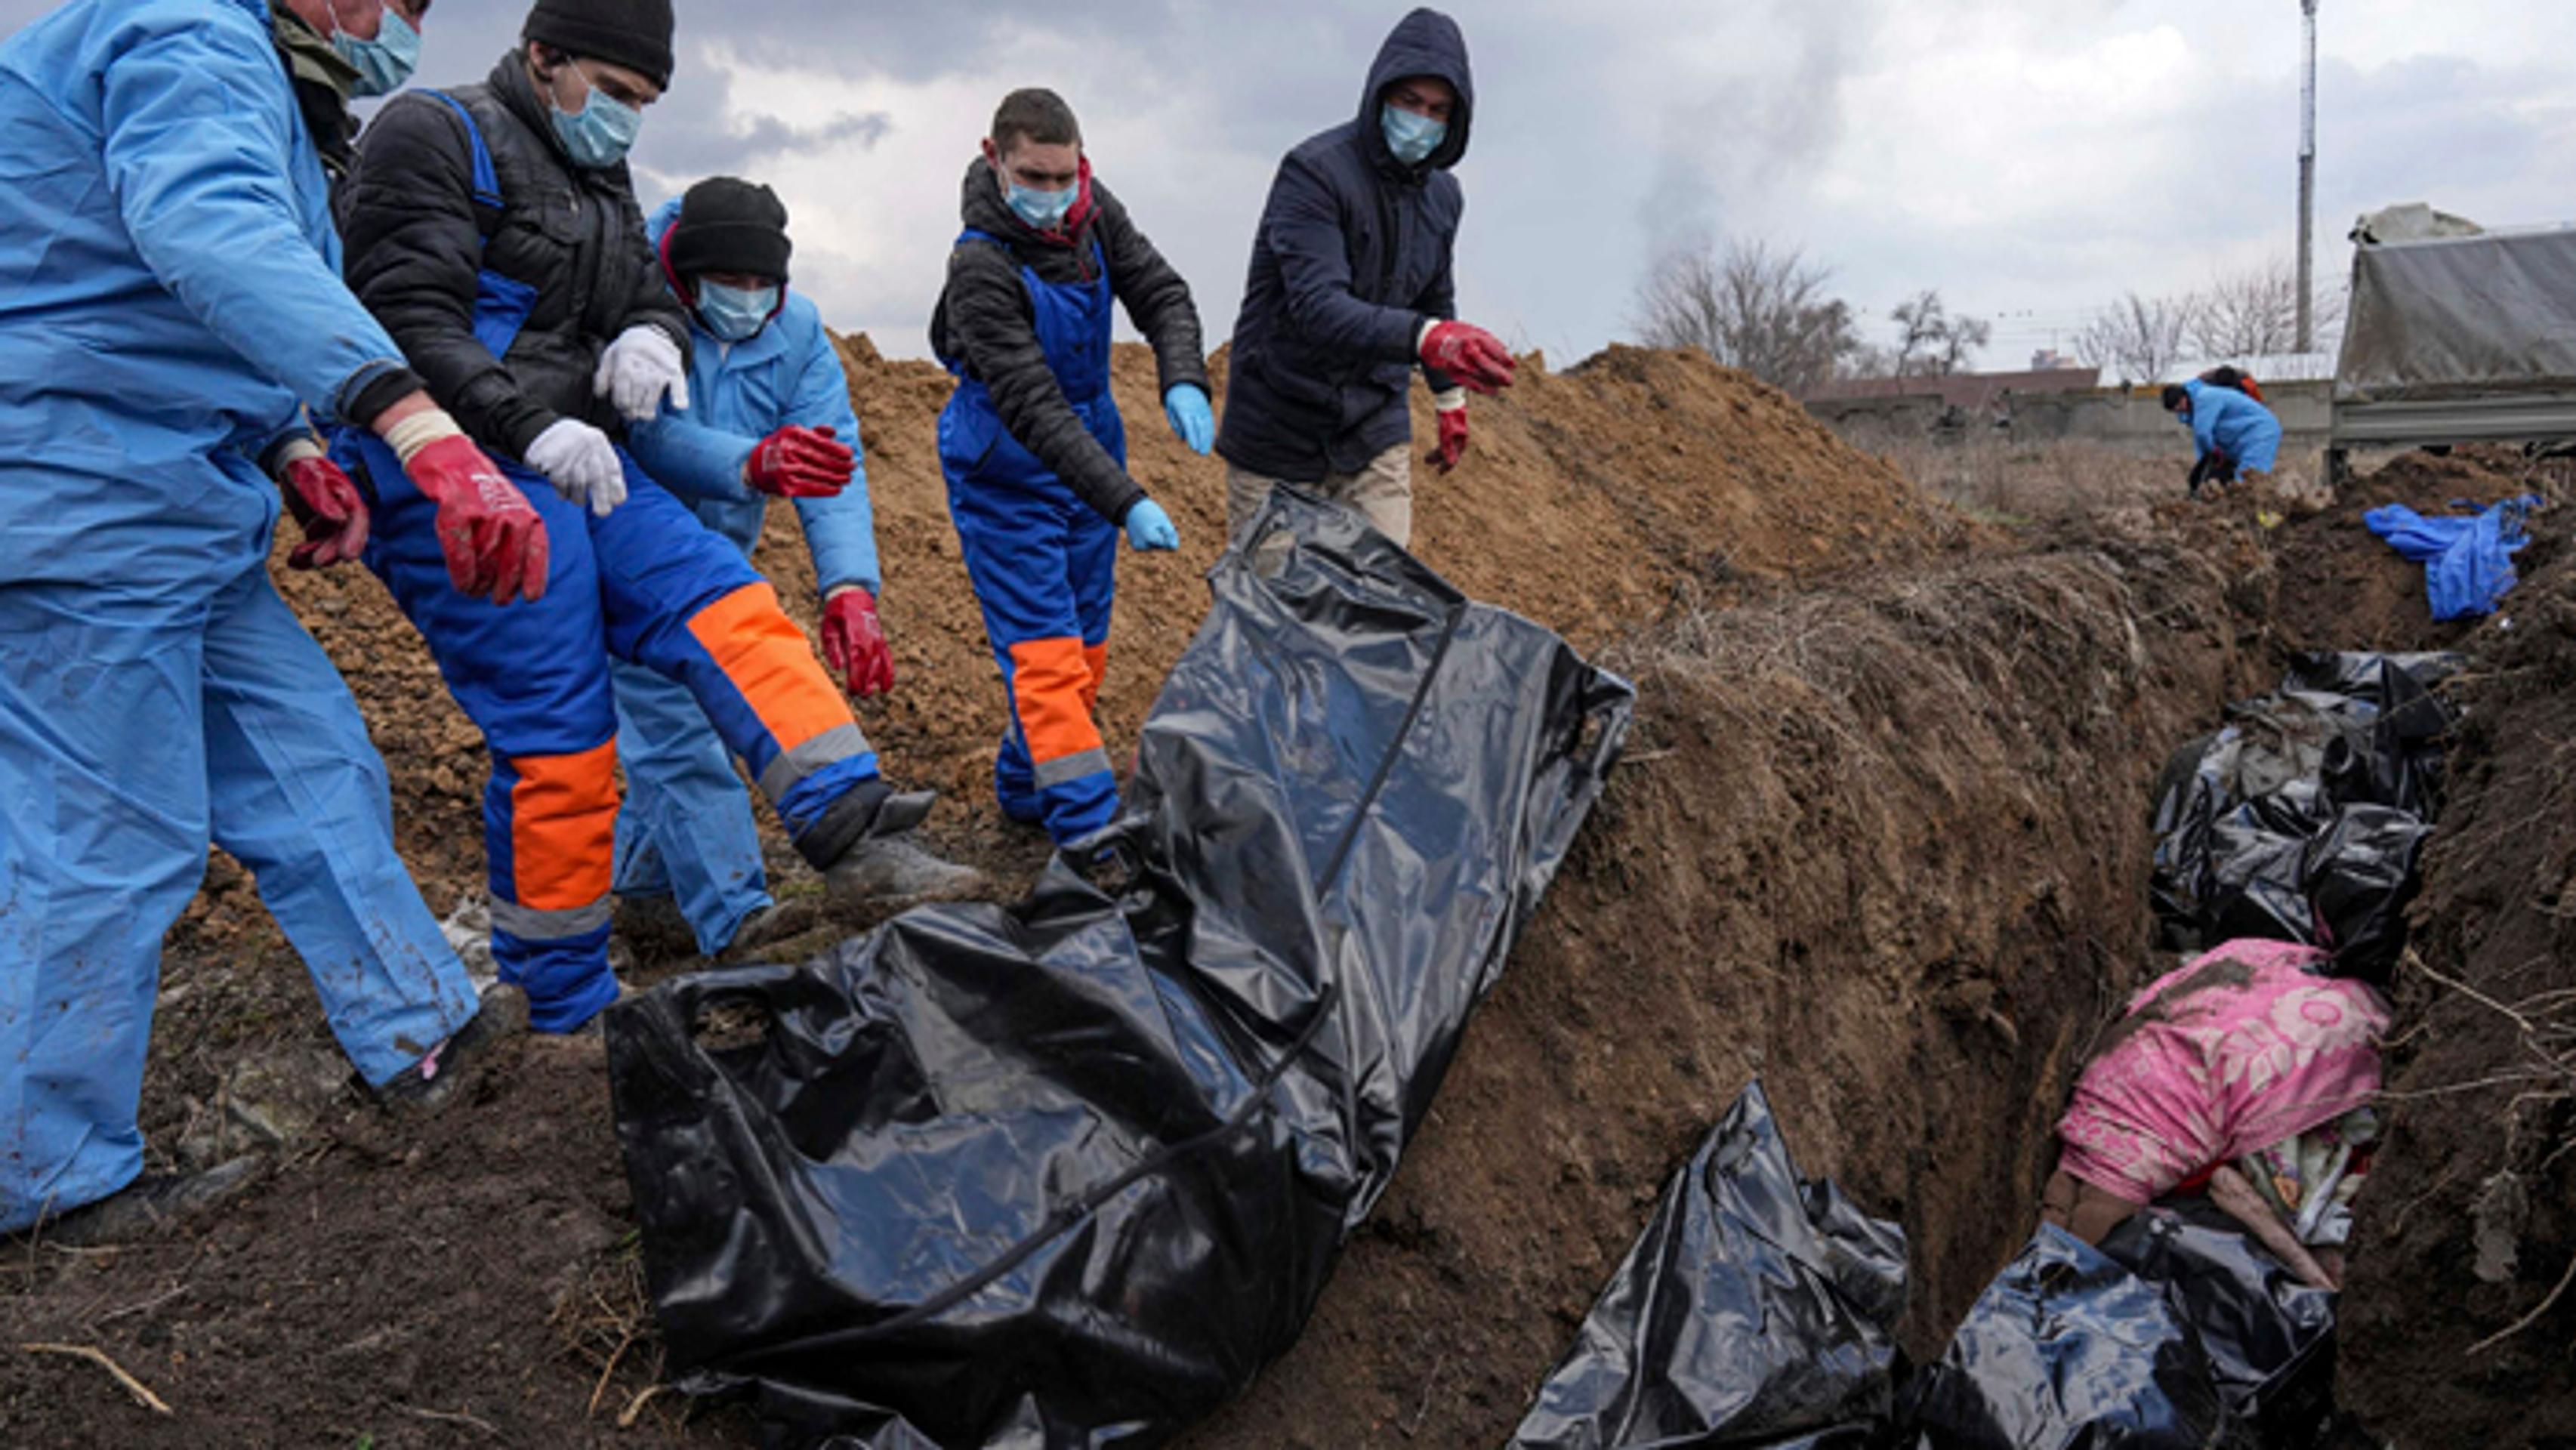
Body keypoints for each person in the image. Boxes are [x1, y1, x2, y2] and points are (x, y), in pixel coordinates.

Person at [0, 0, 538, 1241]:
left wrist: (292, 442)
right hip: (69, 498)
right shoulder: (187, 30)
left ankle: (420, 1034)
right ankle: (45, 1183)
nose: (395, 23)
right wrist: (412, 424)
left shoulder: (259, 86)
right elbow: (205, 231)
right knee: (108, 838)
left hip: (171, 504)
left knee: (314, 765)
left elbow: (165, 295)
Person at [334, 0, 974, 1034]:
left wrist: (647, 335)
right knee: (562, 736)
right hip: (452, 469)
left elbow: (645, 289)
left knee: (725, 601)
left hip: (580, 463)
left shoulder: (599, 176)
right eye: (619, 93)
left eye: (646, 102)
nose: (628, 119)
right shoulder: (432, 133)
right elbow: (400, 314)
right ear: (543, 58)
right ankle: (565, 1004)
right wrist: (521, 427)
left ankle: (853, 833)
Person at [614, 177, 919, 958]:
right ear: (685, 273)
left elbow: (832, 461)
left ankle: (644, 897)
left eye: (764, 285)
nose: (749, 299)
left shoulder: (799, 332)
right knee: (679, 733)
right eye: (731, 283)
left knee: (692, 730)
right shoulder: (631, 307)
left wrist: (850, 587)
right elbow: (639, 435)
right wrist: (749, 462)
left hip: (721, 560)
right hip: (629, 555)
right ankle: (740, 924)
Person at [931, 87, 1209, 848]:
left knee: (1085, 647)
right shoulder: (979, 265)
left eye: (1064, 177)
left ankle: (1024, 786)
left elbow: (1161, 291)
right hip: (1008, 469)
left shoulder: (1094, 212)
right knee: (1046, 659)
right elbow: (1030, 403)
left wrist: (1181, 372)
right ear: (996, 160)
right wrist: (1127, 501)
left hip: (1091, 444)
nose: (1052, 196)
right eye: (1034, 177)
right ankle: (1091, 839)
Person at [1217, 7, 1517, 549]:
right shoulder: (1313, 174)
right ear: (1379, 94)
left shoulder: (1443, 196)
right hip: (1281, 421)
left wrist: (1448, 399)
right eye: (1409, 102)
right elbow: (1318, 307)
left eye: (1438, 110)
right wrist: (1426, 338)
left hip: (1372, 422)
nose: (1420, 119)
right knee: (1275, 615)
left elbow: (1433, 294)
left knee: (1381, 605)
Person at [2163, 377, 2285, 500]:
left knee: (2249, 477)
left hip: (2260, 432)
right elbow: (2202, 440)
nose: (2180, 410)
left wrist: (2212, 453)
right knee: (2230, 479)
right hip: (2238, 438)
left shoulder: (2205, 398)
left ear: (2185, 395)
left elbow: (2203, 433)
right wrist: (2206, 462)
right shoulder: (2194, 410)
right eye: (2176, 410)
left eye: (2180, 405)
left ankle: (2262, 511)